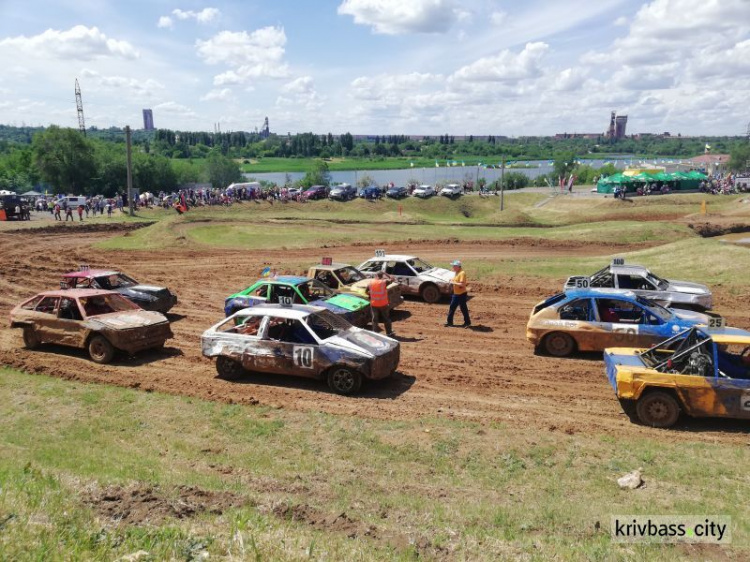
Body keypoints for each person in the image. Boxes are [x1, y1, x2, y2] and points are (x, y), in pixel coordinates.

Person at [366, 271, 394, 336]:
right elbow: (392, 279)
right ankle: (389, 333)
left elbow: (366, 292)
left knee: (374, 319)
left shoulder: (371, 283)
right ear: (382, 276)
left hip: (374, 304)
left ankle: (375, 333)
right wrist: (386, 273)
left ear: (376, 276)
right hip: (383, 304)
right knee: (386, 319)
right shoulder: (384, 282)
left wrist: (371, 296)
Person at [445, 260, 470, 328]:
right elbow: (456, 281)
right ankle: (450, 322)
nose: (453, 267)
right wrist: (452, 280)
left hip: (461, 294)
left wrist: (453, 283)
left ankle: (467, 322)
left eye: (454, 266)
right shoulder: (457, 272)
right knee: (454, 308)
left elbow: (462, 284)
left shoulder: (462, 273)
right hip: (456, 293)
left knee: (462, 308)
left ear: (458, 266)